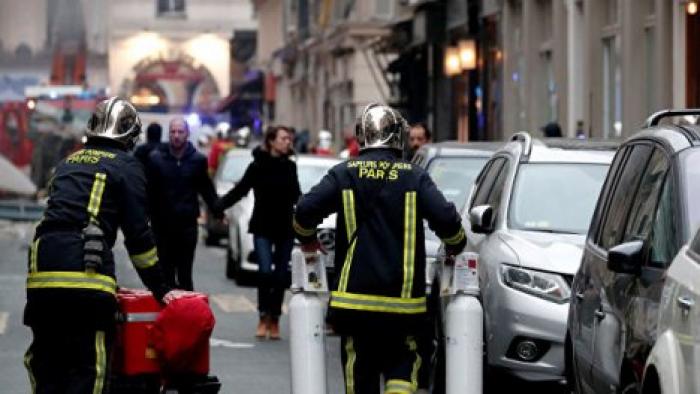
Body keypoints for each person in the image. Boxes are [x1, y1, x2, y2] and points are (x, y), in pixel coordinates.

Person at [293, 103, 467, 394]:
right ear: (399, 135)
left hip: (354, 303)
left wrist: (308, 239)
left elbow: (303, 213)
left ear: (361, 136)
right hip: (404, 305)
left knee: (360, 375)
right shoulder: (414, 176)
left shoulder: (343, 173)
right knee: (404, 367)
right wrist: (455, 246)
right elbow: (449, 223)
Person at [23, 97, 189, 394]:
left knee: (47, 364)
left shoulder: (67, 163)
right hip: (87, 276)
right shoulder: (127, 166)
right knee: (89, 367)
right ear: (129, 135)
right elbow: (139, 240)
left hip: (41, 274)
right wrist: (162, 290)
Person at [215, 125, 301, 340]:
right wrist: (218, 206)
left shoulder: (290, 167)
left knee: (281, 276)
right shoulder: (257, 165)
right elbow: (240, 190)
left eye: (289, 139)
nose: (287, 142)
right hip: (262, 225)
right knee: (264, 273)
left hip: (285, 227)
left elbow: (297, 196)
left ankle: (275, 320)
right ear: (271, 141)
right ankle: (263, 317)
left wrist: (311, 210)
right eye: (283, 138)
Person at [146, 117, 222, 291]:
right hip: (162, 226)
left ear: (187, 134)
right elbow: (149, 191)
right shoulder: (156, 159)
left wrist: (218, 211)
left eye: (180, 132)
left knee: (185, 273)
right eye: (173, 132)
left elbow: (206, 189)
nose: (176, 136)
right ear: (168, 134)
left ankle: (186, 314)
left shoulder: (197, 160)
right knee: (165, 272)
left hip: (187, 225)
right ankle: (168, 313)